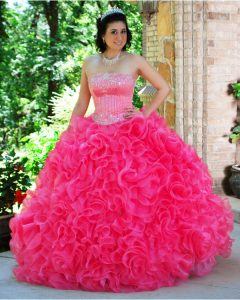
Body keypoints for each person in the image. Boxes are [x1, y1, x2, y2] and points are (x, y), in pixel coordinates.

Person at [9, 7, 234, 293]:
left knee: (134, 200)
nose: (120, 37)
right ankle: (96, 262)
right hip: (95, 135)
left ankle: (138, 259)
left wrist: (143, 113)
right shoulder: (90, 63)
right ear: (102, 35)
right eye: (113, 32)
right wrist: (71, 130)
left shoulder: (134, 60)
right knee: (90, 205)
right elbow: (82, 102)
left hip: (130, 133)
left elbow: (161, 87)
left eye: (123, 31)